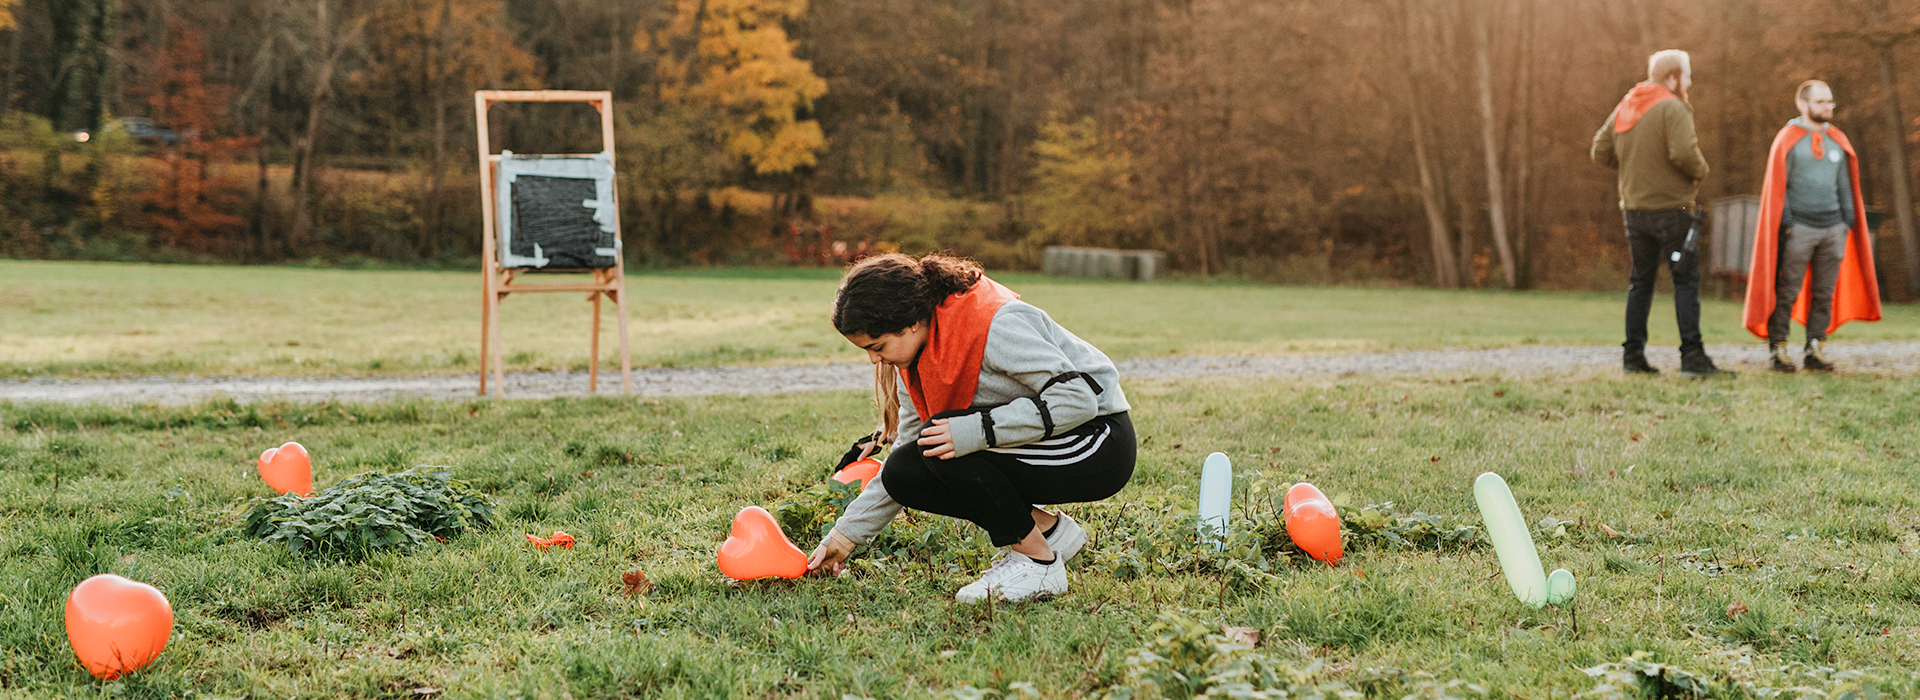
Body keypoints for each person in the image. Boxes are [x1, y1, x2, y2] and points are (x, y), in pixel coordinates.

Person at [806, 253, 1135, 603]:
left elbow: (1077, 399)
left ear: (911, 322)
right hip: (1037, 438)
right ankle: (1047, 533)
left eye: (878, 346)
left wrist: (978, 430)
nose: (874, 359)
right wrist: (844, 536)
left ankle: (1038, 564)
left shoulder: (995, 325)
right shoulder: (913, 363)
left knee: (946, 435)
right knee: (905, 468)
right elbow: (911, 451)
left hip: (1096, 442)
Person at [1591, 49, 1732, 378]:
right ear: (1673, 77)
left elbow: (1599, 150)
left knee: (1640, 282)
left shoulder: (1627, 104)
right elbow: (1684, 151)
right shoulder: (1673, 105)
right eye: (1687, 74)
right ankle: (1693, 358)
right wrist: (1701, 171)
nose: (1691, 81)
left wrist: (1631, 170)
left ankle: (1633, 358)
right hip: (1674, 209)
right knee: (1685, 280)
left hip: (1634, 212)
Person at [1741, 80, 1882, 371]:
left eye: (1830, 101)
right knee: (1788, 290)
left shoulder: (1837, 140)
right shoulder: (1788, 139)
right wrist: (1790, 223)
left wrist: (1847, 222)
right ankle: (1778, 349)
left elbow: (1845, 186)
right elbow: (1781, 187)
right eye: (1820, 102)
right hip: (1800, 229)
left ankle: (1814, 349)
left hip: (1833, 228)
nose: (1828, 107)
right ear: (1803, 105)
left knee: (1824, 292)